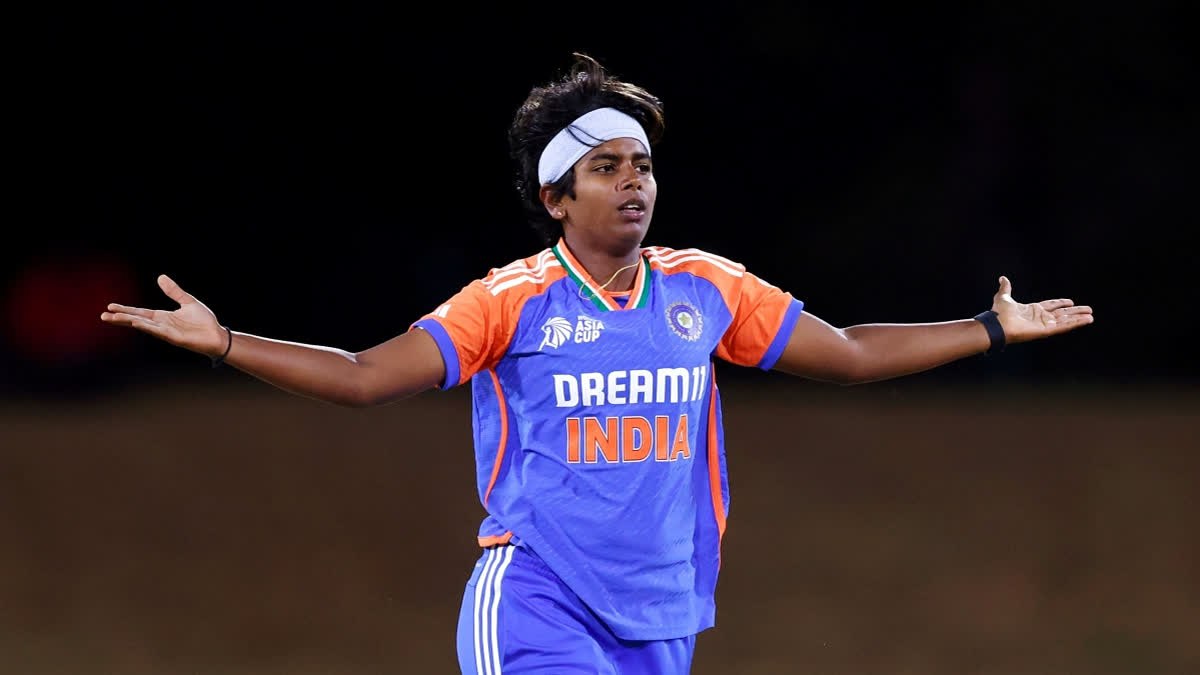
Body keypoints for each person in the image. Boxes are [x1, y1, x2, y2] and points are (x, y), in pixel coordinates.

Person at [100, 52, 1094, 674]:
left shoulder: (703, 288)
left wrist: (989, 328)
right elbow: (366, 377)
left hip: (663, 611)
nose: (634, 185)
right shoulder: (510, 299)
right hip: (538, 599)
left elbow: (843, 355)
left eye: (643, 165)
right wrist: (226, 342)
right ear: (556, 199)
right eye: (605, 169)